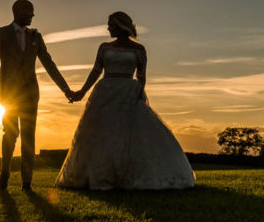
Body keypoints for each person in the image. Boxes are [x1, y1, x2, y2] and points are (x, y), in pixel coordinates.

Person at [55, 11, 194, 190]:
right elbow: (96, 71)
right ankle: (99, 175)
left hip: (129, 91)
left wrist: (138, 93)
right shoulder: (104, 47)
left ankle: (129, 174)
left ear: (120, 26)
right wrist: (82, 91)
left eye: (111, 25)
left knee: (129, 134)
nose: (108, 28)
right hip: (105, 92)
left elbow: (142, 76)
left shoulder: (139, 49)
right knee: (102, 134)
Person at [0, 0, 73, 191]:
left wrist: (65, 89)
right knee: (10, 133)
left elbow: (49, 64)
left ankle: (27, 182)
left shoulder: (36, 36)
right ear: (19, 11)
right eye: (31, 12)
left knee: (28, 136)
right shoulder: (0, 33)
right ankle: (5, 172)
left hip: (31, 93)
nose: (33, 15)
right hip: (9, 94)